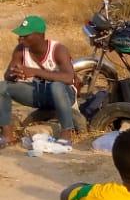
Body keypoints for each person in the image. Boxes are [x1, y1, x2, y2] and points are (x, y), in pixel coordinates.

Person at [2, 15, 78, 146]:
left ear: (39, 35)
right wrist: (15, 73)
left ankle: (66, 133)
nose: (20, 38)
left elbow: (69, 78)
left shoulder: (58, 50)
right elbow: (7, 76)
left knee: (56, 86)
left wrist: (35, 71)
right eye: (20, 35)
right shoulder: (20, 49)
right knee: (2, 87)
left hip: (64, 96)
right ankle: (7, 135)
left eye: (25, 35)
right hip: (38, 94)